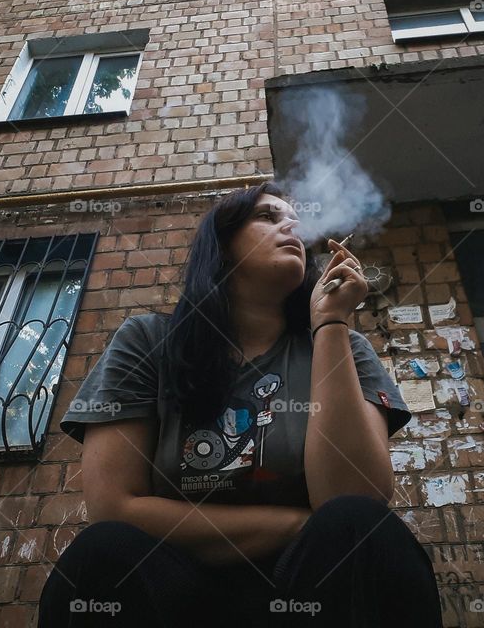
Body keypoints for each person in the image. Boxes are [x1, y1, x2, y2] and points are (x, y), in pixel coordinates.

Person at [38, 182, 443, 627]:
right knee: (102, 553)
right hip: (175, 594)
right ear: (222, 246)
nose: (291, 225)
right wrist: (296, 524)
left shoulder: (344, 347)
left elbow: (355, 498)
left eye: (295, 221)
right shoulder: (149, 341)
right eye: (268, 217)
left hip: (309, 588)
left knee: (357, 525)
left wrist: (330, 323)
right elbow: (114, 506)